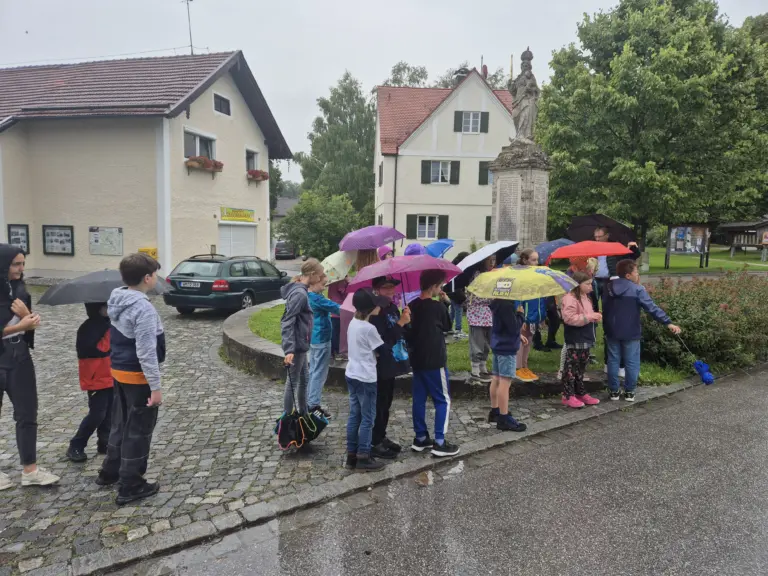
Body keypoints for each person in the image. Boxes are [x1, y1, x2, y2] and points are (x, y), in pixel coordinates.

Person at [97, 253, 164, 505]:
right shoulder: (143, 308)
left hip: (119, 372)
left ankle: (109, 472)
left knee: (120, 423)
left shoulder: (117, 298)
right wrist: (155, 388)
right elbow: (146, 351)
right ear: (147, 278)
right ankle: (131, 484)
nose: (156, 278)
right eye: (155, 274)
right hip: (138, 377)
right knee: (138, 430)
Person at [0, 245, 58, 490]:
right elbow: (17, 325)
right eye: (16, 264)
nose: (21, 269)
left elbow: (29, 324)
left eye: (23, 263)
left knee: (27, 413)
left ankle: (30, 470)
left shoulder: (20, 288)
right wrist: (22, 324)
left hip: (19, 358)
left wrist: (30, 317)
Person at [603, 260, 681, 402]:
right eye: (636, 272)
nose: (638, 274)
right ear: (628, 275)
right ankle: (629, 392)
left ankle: (614, 392)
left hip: (612, 330)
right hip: (631, 331)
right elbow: (652, 308)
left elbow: (605, 309)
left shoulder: (608, 287)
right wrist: (668, 322)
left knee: (613, 360)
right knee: (631, 362)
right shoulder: (638, 289)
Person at [405, 270, 460, 458]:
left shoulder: (411, 305)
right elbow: (447, 326)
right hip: (435, 359)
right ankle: (439, 441)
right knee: (442, 400)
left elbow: (408, 331)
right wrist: (445, 303)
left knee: (419, 398)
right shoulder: (437, 307)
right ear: (434, 287)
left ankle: (420, 437)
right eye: (441, 286)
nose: (442, 289)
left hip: (417, 358)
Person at [369, 276, 411, 460]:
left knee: (387, 402)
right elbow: (382, 341)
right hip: (380, 364)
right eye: (386, 288)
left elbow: (401, 332)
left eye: (392, 287)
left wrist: (406, 319)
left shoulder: (392, 308)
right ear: (377, 290)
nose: (390, 291)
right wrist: (400, 323)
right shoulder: (376, 313)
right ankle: (374, 440)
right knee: (379, 403)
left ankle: (381, 435)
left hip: (393, 361)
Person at [345, 289, 386, 472]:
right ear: (370, 308)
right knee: (368, 418)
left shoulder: (353, 323)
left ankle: (351, 454)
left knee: (355, 415)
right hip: (366, 377)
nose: (379, 306)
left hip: (352, 374)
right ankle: (364, 456)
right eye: (375, 303)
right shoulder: (369, 329)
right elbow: (381, 351)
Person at [66, 302, 113, 463]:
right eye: (105, 306)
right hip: (96, 376)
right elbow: (101, 349)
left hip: (110, 374)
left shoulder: (108, 324)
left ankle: (105, 443)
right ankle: (76, 444)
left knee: (110, 412)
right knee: (97, 413)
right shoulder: (89, 328)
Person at [281, 259, 324, 416]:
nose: (320, 279)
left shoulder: (302, 291)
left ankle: (304, 415)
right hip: (297, 346)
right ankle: (287, 420)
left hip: (301, 343)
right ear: (312, 275)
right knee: (292, 382)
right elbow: (287, 321)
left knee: (304, 380)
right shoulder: (300, 294)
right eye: (319, 276)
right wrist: (289, 349)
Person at [560, 272, 602, 408]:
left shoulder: (585, 297)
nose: (591, 286)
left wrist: (593, 316)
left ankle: (580, 392)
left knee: (581, 367)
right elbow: (569, 318)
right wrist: (590, 317)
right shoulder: (570, 298)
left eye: (591, 283)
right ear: (578, 284)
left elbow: (586, 314)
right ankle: (567, 395)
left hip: (586, 337)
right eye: (588, 284)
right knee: (571, 367)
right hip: (575, 338)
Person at [487, 298, 528, 432]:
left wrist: (518, 336)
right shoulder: (507, 305)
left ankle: (495, 410)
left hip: (498, 344)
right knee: (505, 382)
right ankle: (504, 418)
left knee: (496, 378)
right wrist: (521, 314)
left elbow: (504, 325)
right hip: (507, 348)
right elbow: (513, 327)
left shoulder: (498, 303)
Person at [307, 270, 339, 416]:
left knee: (314, 370)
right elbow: (335, 308)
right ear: (314, 281)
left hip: (315, 337)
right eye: (323, 284)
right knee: (319, 373)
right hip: (321, 338)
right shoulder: (316, 298)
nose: (324, 287)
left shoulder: (311, 295)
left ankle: (309, 401)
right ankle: (313, 405)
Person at [467, 255, 495, 383]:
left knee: (486, 341)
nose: (492, 263)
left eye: (494, 260)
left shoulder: (490, 275)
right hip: (477, 311)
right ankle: (475, 369)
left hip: (487, 312)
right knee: (477, 340)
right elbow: (478, 295)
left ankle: (483, 366)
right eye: (490, 260)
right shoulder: (477, 276)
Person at [515, 249, 540, 383]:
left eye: (537, 260)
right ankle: (517, 368)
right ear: (525, 260)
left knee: (528, 341)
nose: (536, 263)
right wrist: (520, 314)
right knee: (521, 341)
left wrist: (540, 315)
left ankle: (524, 366)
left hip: (533, 314)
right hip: (524, 314)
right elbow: (518, 296)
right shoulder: (521, 276)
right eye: (533, 260)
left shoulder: (535, 274)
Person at [443, 251, 469, 339]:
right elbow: (461, 281)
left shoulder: (452, 265)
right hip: (456, 292)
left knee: (453, 310)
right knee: (458, 310)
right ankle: (458, 329)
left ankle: (448, 327)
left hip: (450, 291)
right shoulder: (459, 267)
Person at [327, 276, 349, 360]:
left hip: (332, 310)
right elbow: (345, 292)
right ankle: (338, 352)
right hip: (339, 309)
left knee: (334, 332)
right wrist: (348, 282)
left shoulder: (332, 280)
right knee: (338, 333)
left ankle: (331, 352)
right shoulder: (341, 280)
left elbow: (329, 294)